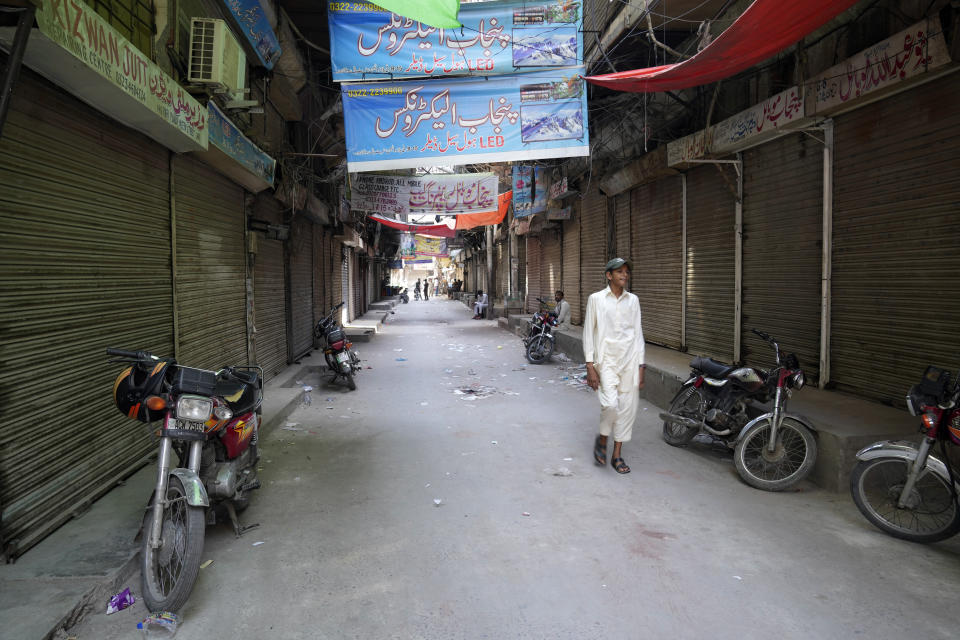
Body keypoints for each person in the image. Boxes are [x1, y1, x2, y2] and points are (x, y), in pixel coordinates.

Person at [583, 258, 645, 475]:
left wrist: (641, 365)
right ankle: (602, 437)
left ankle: (616, 455)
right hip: (606, 362)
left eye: (626, 272)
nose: (624, 275)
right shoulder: (596, 299)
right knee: (610, 405)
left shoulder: (633, 301)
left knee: (627, 409)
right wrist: (590, 366)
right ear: (609, 275)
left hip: (629, 362)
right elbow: (588, 333)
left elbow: (638, 334)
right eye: (619, 272)